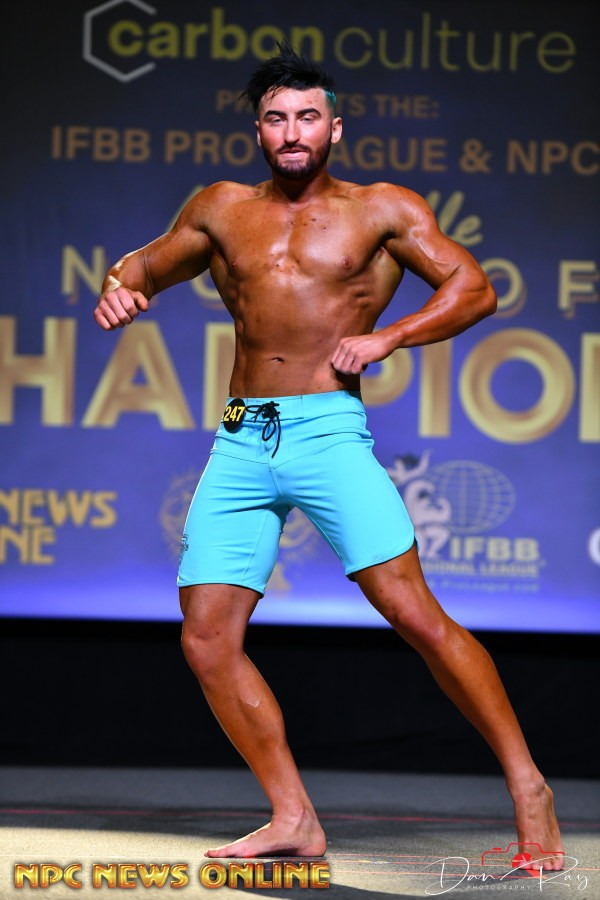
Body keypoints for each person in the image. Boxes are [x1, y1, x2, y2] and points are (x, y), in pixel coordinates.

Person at [94, 44, 564, 869]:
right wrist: (120, 287)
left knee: (415, 615)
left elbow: (476, 289)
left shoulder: (380, 209)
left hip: (327, 433)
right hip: (242, 438)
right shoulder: (220, 208)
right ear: (259, 130)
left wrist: (391, 335)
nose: (292, 131)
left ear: (334, 128)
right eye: (276, 118)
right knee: (207, 639)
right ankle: (293, 817)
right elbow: (142, 265)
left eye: (307, 116)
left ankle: (529, 784)